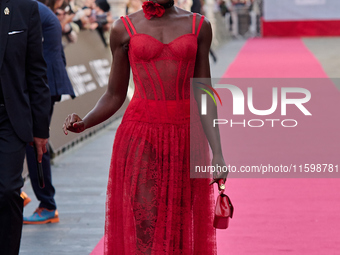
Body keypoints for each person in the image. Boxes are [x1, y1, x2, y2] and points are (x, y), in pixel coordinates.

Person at [63, 0, 227, 253]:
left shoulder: (199, 25)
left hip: (186, 136)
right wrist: (85, 122)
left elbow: (203, 93)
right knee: (145, 221)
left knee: (179, 222)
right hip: (141, 135)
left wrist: (218, 153)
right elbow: (115, 95)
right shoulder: (123, 28)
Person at [0, 0, 51, 253]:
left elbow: (36, 70)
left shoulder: (25, 8)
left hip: (9, 116)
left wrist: (41, 129)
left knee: (8, 190)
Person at [23, 0, 76, 225]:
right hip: (46, 82)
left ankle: (46, 204)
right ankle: (21, 193)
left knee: (36, 143)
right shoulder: (37, 9)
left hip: (42, 84)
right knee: (29, 140)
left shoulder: (30, 8)